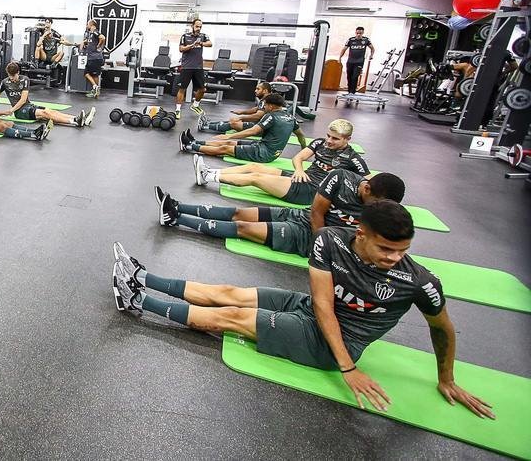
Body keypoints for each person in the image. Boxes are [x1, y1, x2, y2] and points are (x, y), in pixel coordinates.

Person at [111, 201, 494, 418]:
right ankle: (146, 277)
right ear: (362, 234)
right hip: (314, 311)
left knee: (234, 319)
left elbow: (442, 328)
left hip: (330, 345)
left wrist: (446, 377)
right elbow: (324, 304)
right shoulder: (330, 240)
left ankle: (137, 300)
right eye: (386, 249)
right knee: (232, 292)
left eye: (402, 251)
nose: (395, 258)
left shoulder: (418, 281)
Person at [154, 169, 405, 257]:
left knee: (244, 229)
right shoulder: (341, 178)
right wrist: (322, 239)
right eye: (376, 201)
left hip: (305, 239)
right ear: (368, 187)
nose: (377, 208)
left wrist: (321, 248)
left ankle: (177, 218)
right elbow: (317, 212)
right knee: (241, 213)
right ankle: (177, 205)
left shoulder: (383, 209)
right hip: (309, 223)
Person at [190, 119, 368, 204]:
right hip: (301, 178)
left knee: (256, 177)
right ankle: (211, 171)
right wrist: (299, 170)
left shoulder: (353, 158)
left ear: (347, 139)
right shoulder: (320, 143)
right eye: (329, 136)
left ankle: (208, 177)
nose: (329, 141)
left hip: (311, 191)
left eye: (335, 139)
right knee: (254, 167)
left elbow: (369, 185)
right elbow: (298, 157)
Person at [179, 93, 305, 163]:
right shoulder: (290, 117)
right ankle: (195, 142)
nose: (264, 107)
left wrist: (229, 135)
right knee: (229, 143)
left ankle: (189, 146)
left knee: (225, 147)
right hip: (266, 148)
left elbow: (253, 131)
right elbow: (301, 135)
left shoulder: (271, 116)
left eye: (265, 105)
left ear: (271, 106)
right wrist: (304, 150)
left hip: (263, 154)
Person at [0, 62, 95, 128]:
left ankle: (78, 118)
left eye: (13, 75)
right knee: (45, 113)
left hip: (27, 105)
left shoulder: (25, 79)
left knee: (50, 111)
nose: (12, 78)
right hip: (19, 112)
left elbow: (23, 100)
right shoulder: (4, 82)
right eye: (10, 75)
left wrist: (10, 111)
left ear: (18, 72)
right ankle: (75, 122)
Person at [195, 81, 271, 133]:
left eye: (258, 89)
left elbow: (258, 116)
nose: (255, 91)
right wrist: (241, 112)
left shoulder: (267, 100)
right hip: (260, 123)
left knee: (234, 123)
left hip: (262, 127)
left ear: (265, 91)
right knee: (233, 120)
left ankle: (205, 127)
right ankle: (208, 124)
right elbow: (257, 109)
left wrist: (240, 117)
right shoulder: (266, 99)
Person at [175, 18, 212, 118]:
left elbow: (210, 44)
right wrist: (191, 45)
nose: (198, 28)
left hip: (198, 67)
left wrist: (201, 43)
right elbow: (181, 49)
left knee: (202, 89)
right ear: (192, 26)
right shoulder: (185, 36)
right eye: (197, 26)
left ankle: (195, 105)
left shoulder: (203, 36)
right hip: (186, 67)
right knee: (182, 89)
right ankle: (178, 110)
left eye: (200, 27)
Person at [339, 26, 374, 94]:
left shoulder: (366, 40)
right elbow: (344, 49)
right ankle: (349, 91)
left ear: (363, 33)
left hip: (359, 62)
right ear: (355, 32)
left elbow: (372, 48)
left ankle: (353, 92)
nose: (358, 34)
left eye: (360, 33)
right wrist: (340, 58)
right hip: (350, 61)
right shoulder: (351, 40)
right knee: (349, 76)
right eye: (357, 33)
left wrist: (371, 55)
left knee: (355, 77)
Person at [79, 19, 107, 98]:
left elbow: (103, 38)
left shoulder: (95, 31)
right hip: (93, 58)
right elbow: (89, 42)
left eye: (88, 24)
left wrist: (99, 45)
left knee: (86, 73)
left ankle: (95, 87)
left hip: (95, 58)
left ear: (91, 25)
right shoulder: (91, 34)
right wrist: (85, 44)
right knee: (95, 75)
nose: (87, 26)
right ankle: (96, 92)